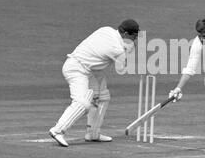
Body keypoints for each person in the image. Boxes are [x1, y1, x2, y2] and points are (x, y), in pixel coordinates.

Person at [49, 19, 140, 147]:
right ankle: (57, 131)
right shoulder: (115, 48)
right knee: (83, 103)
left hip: (91, 70)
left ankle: (93, 133)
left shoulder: (106, 29)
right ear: (125, 33)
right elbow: (123, 67)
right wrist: (129, 51)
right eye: (134, 36)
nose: (135, 40)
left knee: (102, 97)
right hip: (77, 68)